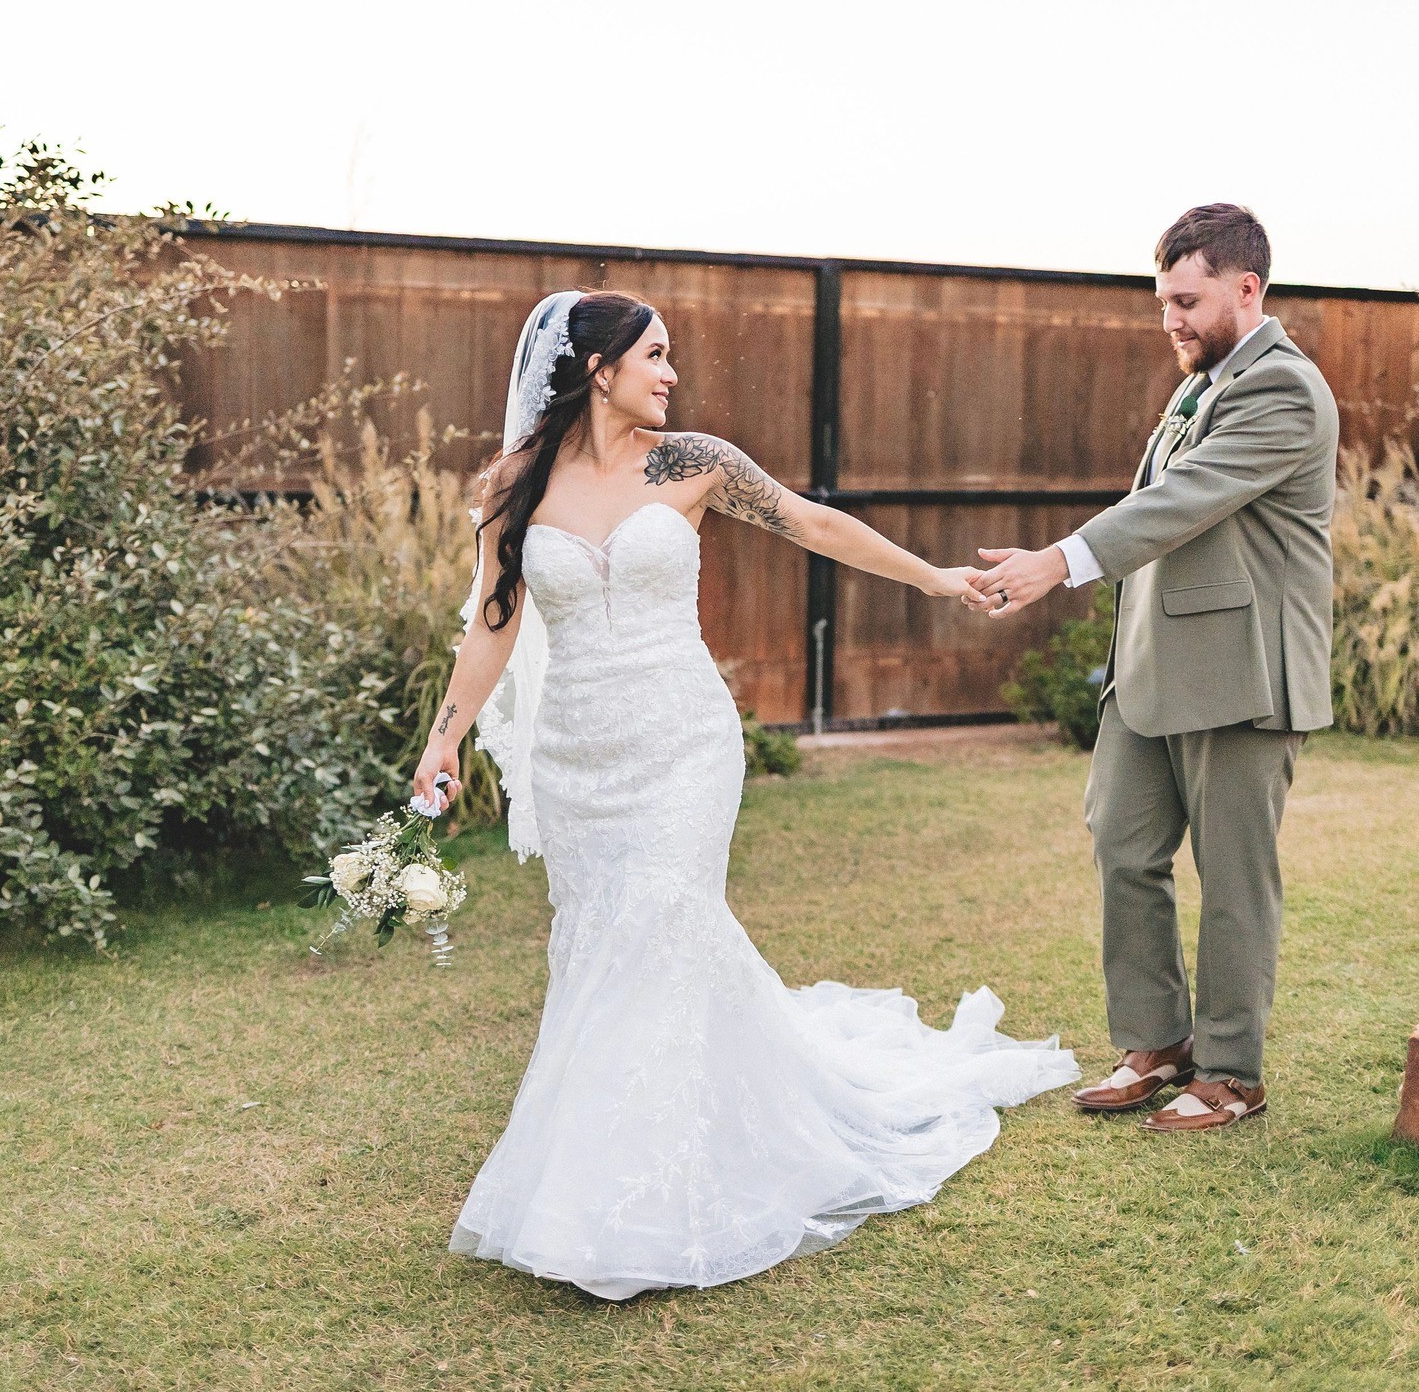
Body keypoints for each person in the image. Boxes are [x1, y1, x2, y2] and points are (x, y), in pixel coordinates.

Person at [413, 288, 1082, 1300]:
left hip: (682, 743)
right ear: (598, 370)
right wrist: (445, 739)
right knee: (604, 956)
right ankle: (599, 1181)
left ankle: (635, 1204)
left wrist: (934, 579)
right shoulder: (513, 484)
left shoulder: (694, 464)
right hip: (579, 760)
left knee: (659, 927)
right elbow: (493, 621)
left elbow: (811, 523)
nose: (670, 374)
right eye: (653, 356)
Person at [966, 204, 1337, 1134]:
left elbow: (1182, 503)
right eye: (1162, 299)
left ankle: (1231, 1073)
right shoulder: (1200, 381)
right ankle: (1156, 1043)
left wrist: (1056, 560)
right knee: (1122, 845)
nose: (1169, 319)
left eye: (1186, 299)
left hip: (1243, 679)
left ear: (1246, 289)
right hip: (1149, 673)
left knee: (1234, 876)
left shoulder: (1283, 389)